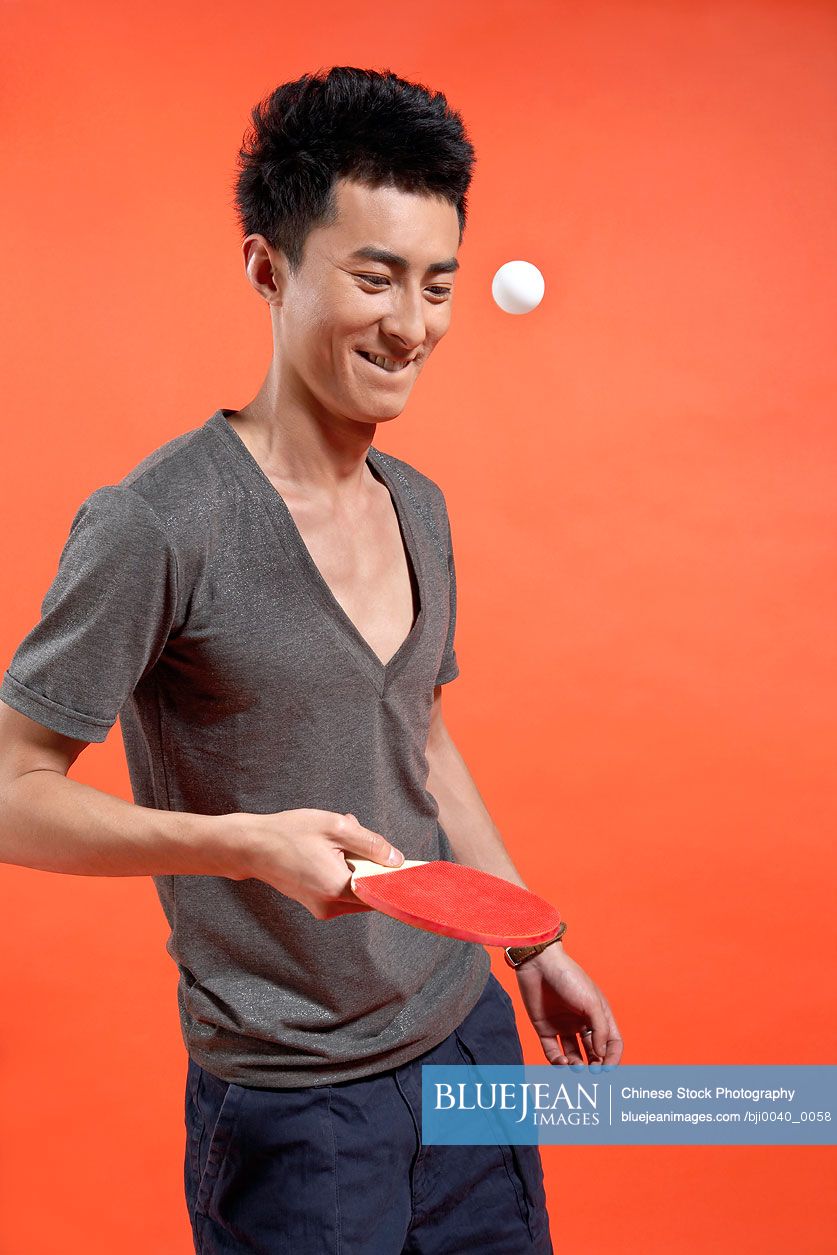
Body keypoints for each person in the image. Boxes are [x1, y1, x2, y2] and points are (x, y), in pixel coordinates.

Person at [0, 66, 622, 1252]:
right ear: (267, 268)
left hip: (465, 1042)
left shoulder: (420, 505)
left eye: (437, 284)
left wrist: (532, 942)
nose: (414, 322)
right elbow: (8, 792)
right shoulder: (160, 521)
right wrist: (241, 843)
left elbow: (419, 737)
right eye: (374, 276)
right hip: (294, 1103)